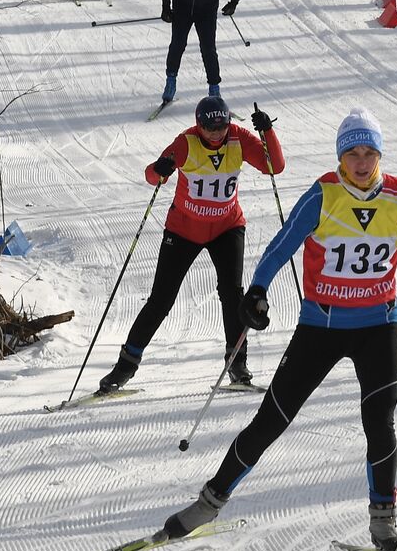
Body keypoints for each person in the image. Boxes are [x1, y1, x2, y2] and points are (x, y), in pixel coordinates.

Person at [160, 108, 397, 551]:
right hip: (322, 326)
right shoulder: (323, 194)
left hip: (378, 326)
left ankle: (384, 524)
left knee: (380, 423)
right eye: (352, 152)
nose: (361, 161)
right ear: (340, 155)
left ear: (379, 154)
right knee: (272, 420)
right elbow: (281, 246)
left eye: (370, 151)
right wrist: (256, 292)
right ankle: (209, 503)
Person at [98, 98, 284, 392]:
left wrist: (267, 133)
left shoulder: (238, 138)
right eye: (209, 128)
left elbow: (274, 166)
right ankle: (124, 367)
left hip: (227, 226)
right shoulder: (186, 143)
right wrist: (160, 168)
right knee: (161, 299)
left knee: (232, 294)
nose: (215, 133)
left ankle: (237, 365)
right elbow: (152, 175)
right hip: (184, 230)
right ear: (199, 125)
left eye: (221, 126)